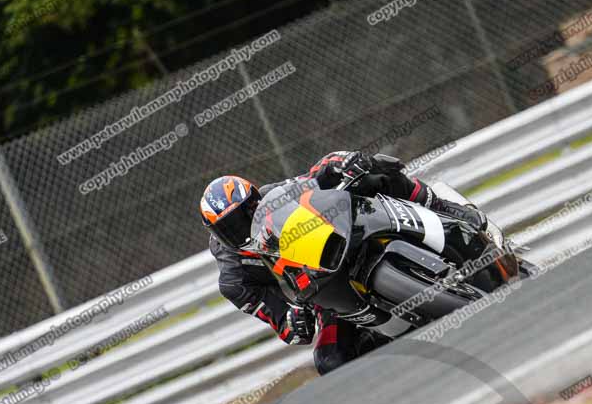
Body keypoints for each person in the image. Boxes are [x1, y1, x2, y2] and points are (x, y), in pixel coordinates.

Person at [199, 151, 486, 375]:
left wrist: (341, 162)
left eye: (247, 211)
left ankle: (441, 206)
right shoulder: (235, 281)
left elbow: (317, 175)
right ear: (216, 234)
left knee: (373, 169)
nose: (244, 226)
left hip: (339, 240)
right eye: (230, 227)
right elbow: (283, 323)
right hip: (320, 294)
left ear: (255, 198)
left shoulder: (274, 198)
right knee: (330, 361)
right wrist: (293, 321)